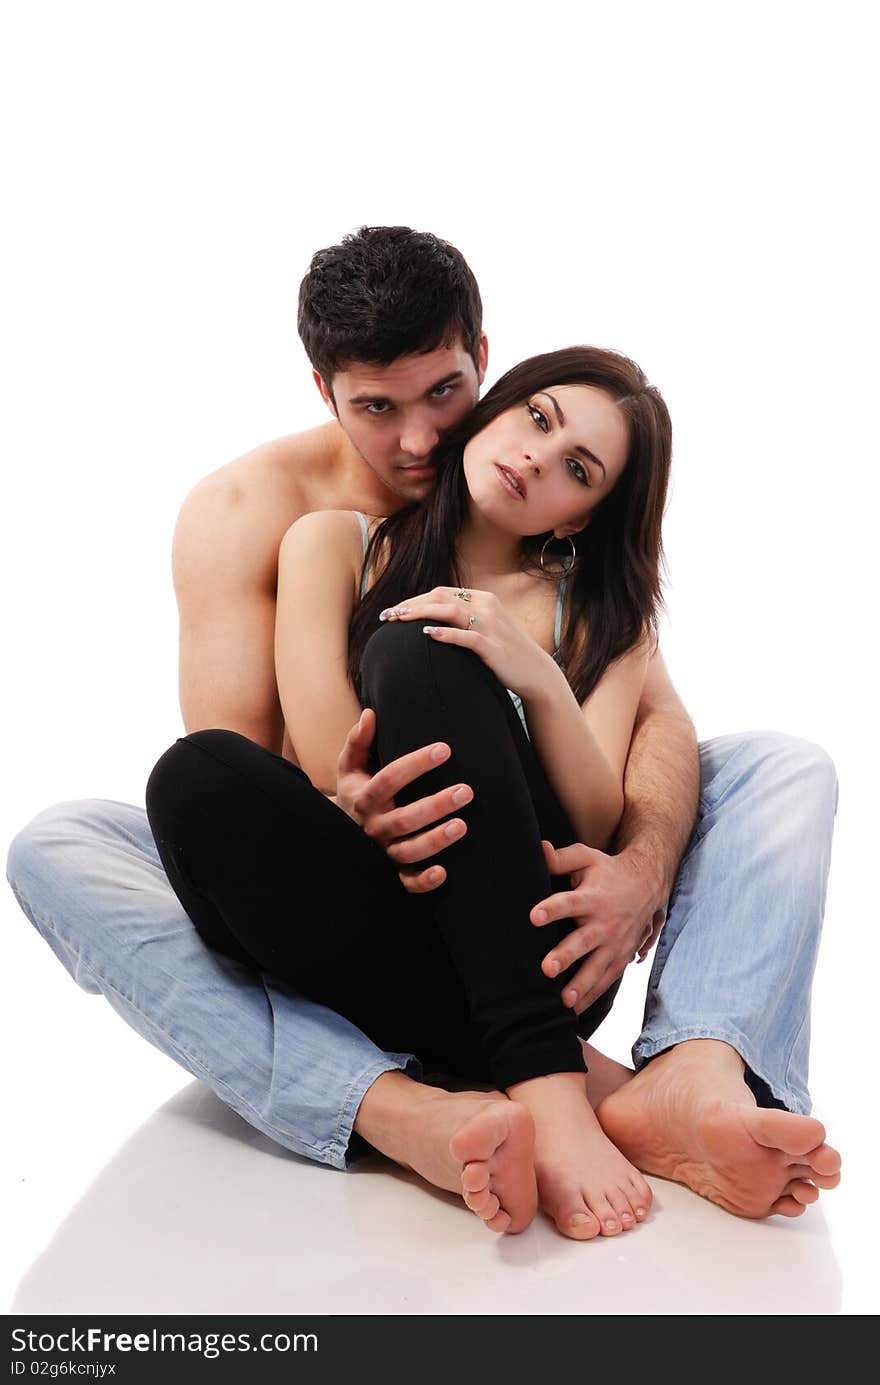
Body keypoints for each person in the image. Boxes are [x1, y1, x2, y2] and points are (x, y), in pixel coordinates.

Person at [6, 227, 840, 1231]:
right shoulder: (273, 518)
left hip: (538, 911)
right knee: (65, 843)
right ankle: (507, 1098)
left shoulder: (578, 588)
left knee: (781, 769)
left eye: (442, 394)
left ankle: (699, 1063)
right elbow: (256, 786)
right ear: (325, 391)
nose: (417, 439)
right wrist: (344, 801)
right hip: (362, 887)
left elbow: (641, 741)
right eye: (375, 407)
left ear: (482, 360)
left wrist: (644, 865)